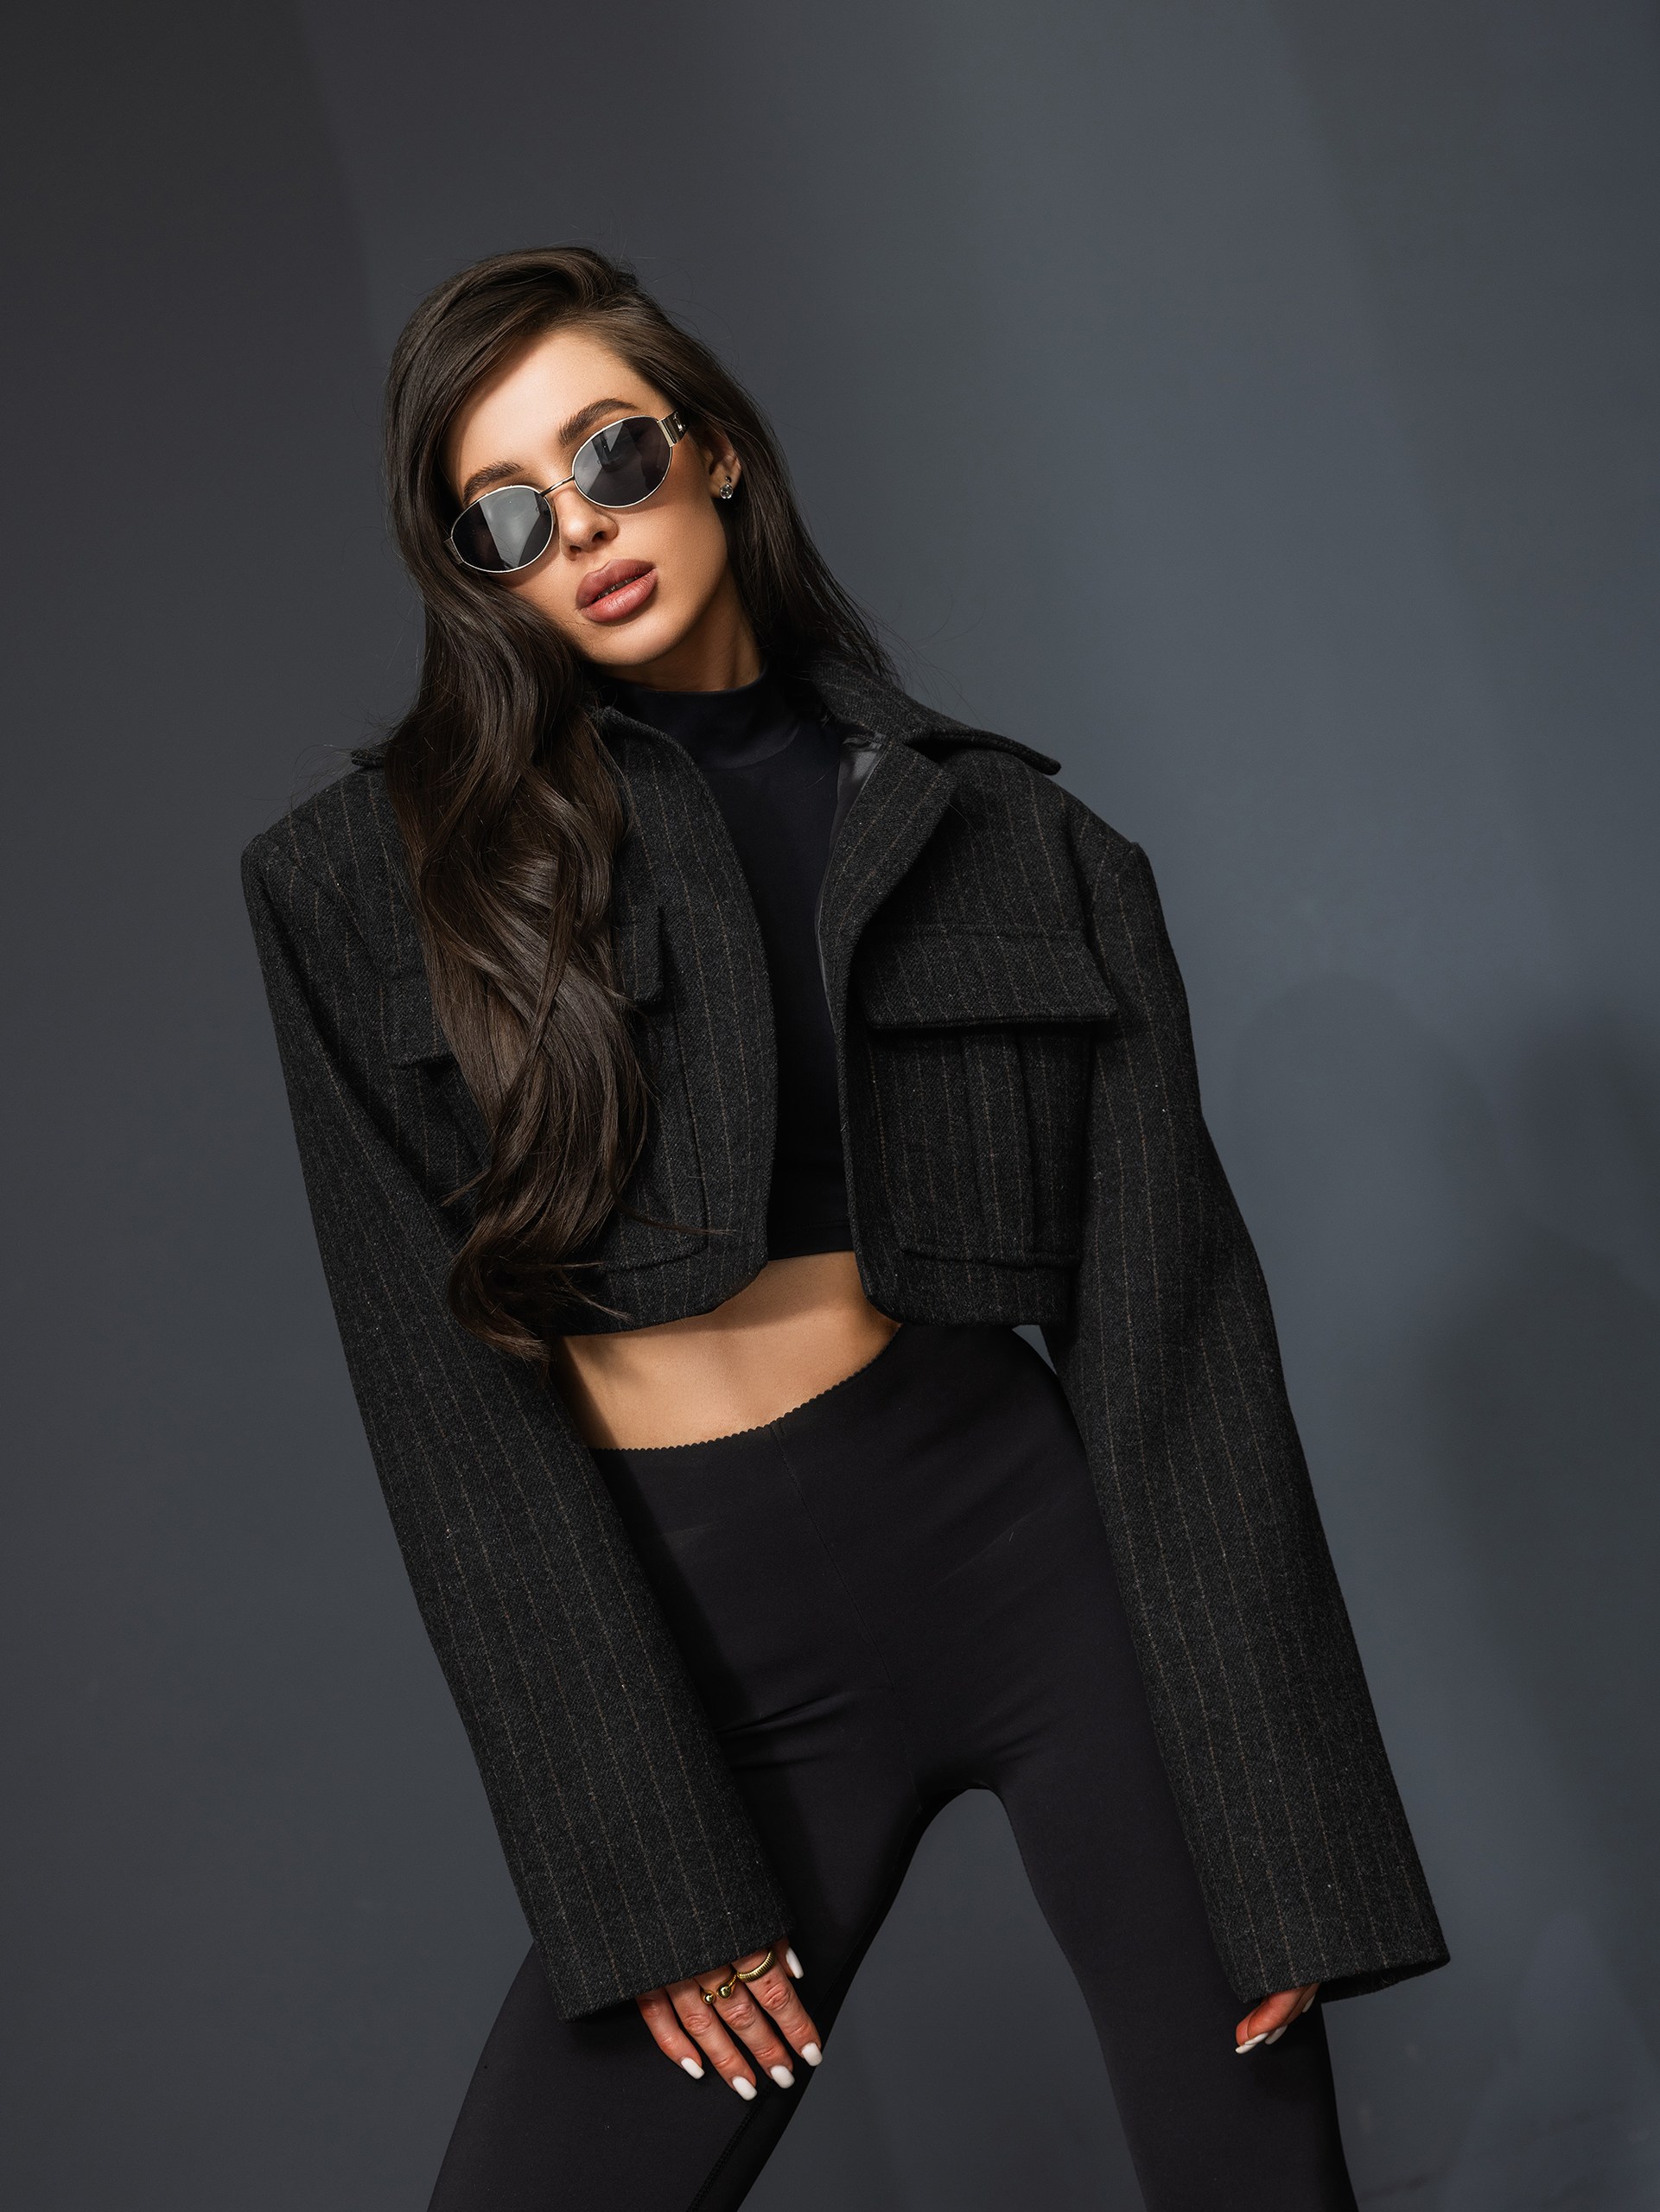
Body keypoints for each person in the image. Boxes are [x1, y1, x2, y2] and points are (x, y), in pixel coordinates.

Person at [242, 246, 1447, 2212]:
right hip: (707, 1619)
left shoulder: (1023, 842)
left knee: (1255, 2171)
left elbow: (1174, 1341)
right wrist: (640, 1868)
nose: (582, 529)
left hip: (1025, 1543)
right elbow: (444, 1412)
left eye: (611, 453)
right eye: (505, 515)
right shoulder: (367, 883)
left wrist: (1282, 1832)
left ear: (712, 446)